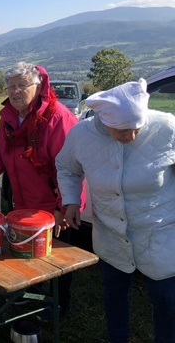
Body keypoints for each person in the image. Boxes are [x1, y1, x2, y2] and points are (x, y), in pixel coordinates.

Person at [56, 79, 175, 343]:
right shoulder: (82, 134)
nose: (131, 136)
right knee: (114, 291)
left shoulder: (167, 127)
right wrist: (72, 201)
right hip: (110, 231)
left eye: (137, 128)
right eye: (122, 131)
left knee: (166, 299)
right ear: (104, 120)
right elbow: (66, 167)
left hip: (161, 232)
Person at [0, 62, 84, 319]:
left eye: (22, 85)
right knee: (25, 249)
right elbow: (2, 151)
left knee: (57, 257)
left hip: (53, 201)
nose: (15, 91)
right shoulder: (9, 118)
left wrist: (63, 207)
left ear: (39, 86)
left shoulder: (57, 117)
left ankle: (58, 303)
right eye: (11, 86)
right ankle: (29, 293)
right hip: (22, 199)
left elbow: (72, 168)